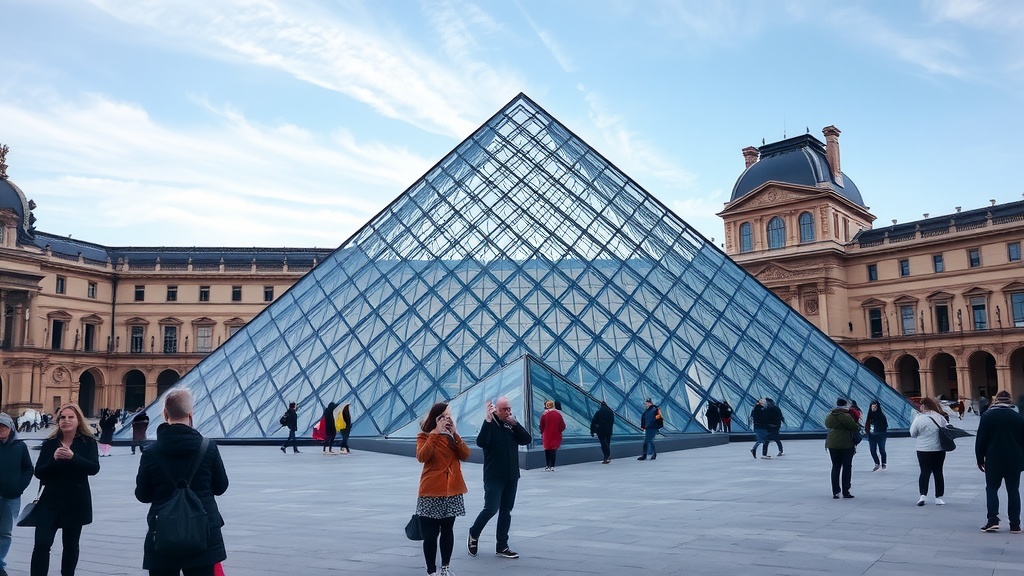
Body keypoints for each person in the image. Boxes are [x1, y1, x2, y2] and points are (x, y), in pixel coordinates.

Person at [135, 388, 229, 575]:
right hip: (202, 532)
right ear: (190, 414)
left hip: (163, 532)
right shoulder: (208, 447)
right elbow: (221, 487)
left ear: (164, 414)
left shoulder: (151, 453)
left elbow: (143, 495)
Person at [30, 403, 100, 576]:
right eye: (62, 417)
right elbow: (39, 472)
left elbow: (93, 468)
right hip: (49, 501)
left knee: (70, 545)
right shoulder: (50, 444)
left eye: (71, 417)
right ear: (58, 421)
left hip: (75, 501)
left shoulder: (88, 442)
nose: (66, 420)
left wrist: (73, 457)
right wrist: (54, 459)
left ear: (78, 421)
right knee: (41, 544)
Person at [467, 396, 531, 560]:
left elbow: (526, 439)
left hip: (511, 476)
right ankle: (474, 533)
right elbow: (481, 442)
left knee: (506, 511)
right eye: (505, 409)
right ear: (497, 410)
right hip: (494, 476)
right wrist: (487, 420)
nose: (508, 412)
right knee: (491, 508)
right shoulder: (490, 426)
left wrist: (515, 424)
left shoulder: (511, 425)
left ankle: (502, 546)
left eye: (509, 408)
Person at [416, 402, 470, 576]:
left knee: (448, 530)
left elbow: (465, 455)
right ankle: (431, 570)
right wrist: (434, 433)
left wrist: (455, 434)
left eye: (448, 416)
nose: (447, 419)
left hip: (452, 490)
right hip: (431, 491)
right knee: (430, 535)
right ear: (435, 418)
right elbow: (422, 457)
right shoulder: (424, 436)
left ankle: (445, 568)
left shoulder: (452, 437)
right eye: (443, 416)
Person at [976, 390, 1024, 532]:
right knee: (1013, 490)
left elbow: (981, 440)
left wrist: (980, 459)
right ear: (1010, 401)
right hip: (1014, 459)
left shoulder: (987, 416)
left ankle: (992, 520)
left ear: (996, 400)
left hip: (994, 459)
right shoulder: (1018, 417)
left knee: (991, 489)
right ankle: (1015, 524)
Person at [1, 412, 34, 576]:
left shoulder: (20, 446)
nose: (0, 429)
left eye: (3, 426)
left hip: (11, 497)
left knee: (5, 532)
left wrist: (20, 487)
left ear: (10, 428)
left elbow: (28, 468)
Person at [909, 397, 949, 506]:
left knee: (925, 471)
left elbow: (912, 433)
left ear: (923, 407)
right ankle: (939, 497)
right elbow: (947, 429)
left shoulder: (919, 418)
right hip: (939, 449)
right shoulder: (940, 417)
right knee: (938, 472)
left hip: (923, 449)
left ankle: (923, 495)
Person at [825, 398, 859, 499]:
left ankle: (835, 491)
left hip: (832, 443)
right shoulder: (846, 415)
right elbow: (854, 427)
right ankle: (846, 491)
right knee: (847, 467)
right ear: (845, 405)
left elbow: (827, 424)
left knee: (835, 466)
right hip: (846, 443)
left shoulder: (830, 415)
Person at [539, 400, 565, 471]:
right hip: (556, 435)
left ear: (547, 406)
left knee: (547, 450)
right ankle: (552, 466)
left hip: (547, 435)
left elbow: (541, 425)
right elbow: (562, 426)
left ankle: (547, 465)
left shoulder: (544, 415)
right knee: (553, 450)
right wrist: (559, 431)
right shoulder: (558, 414)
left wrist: (542, 432)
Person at [864, 400, 888, 471]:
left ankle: (884, 463)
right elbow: (867, 424)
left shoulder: (882, 416)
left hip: (881, 435)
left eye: (875, 407)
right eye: (872, 406)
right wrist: (867, 431)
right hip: (871, 435)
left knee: (882, 450)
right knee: (872, 450)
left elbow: (885, 426)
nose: (873, 408)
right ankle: (877, 463)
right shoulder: (869, 415)